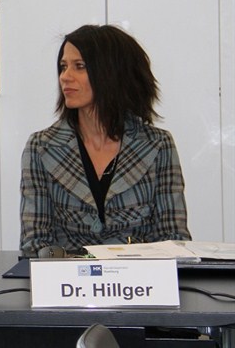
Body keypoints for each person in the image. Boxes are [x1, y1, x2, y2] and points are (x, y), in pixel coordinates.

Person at [19, 24, 191, 255]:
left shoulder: (158, 145)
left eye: (79, 66)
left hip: (140, 275)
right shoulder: (42, 147)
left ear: (111, 73)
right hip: (68, 275)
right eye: (63, 67)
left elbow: (174, 240)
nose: (65, 77)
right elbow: (35, 244)